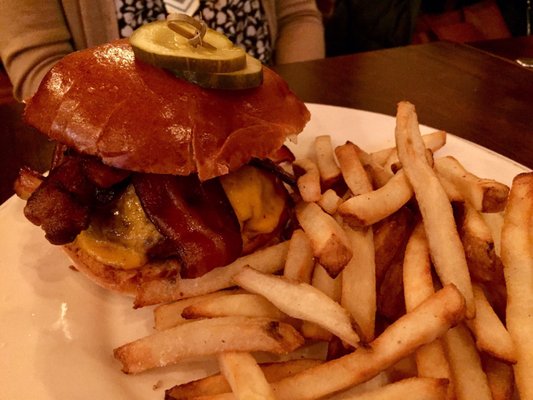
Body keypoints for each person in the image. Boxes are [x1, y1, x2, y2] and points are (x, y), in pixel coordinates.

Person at [0, 0, 325, 102]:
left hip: (264, 136)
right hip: (123, 162)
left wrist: (286, 104)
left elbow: (297, 16)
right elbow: (41, 67)